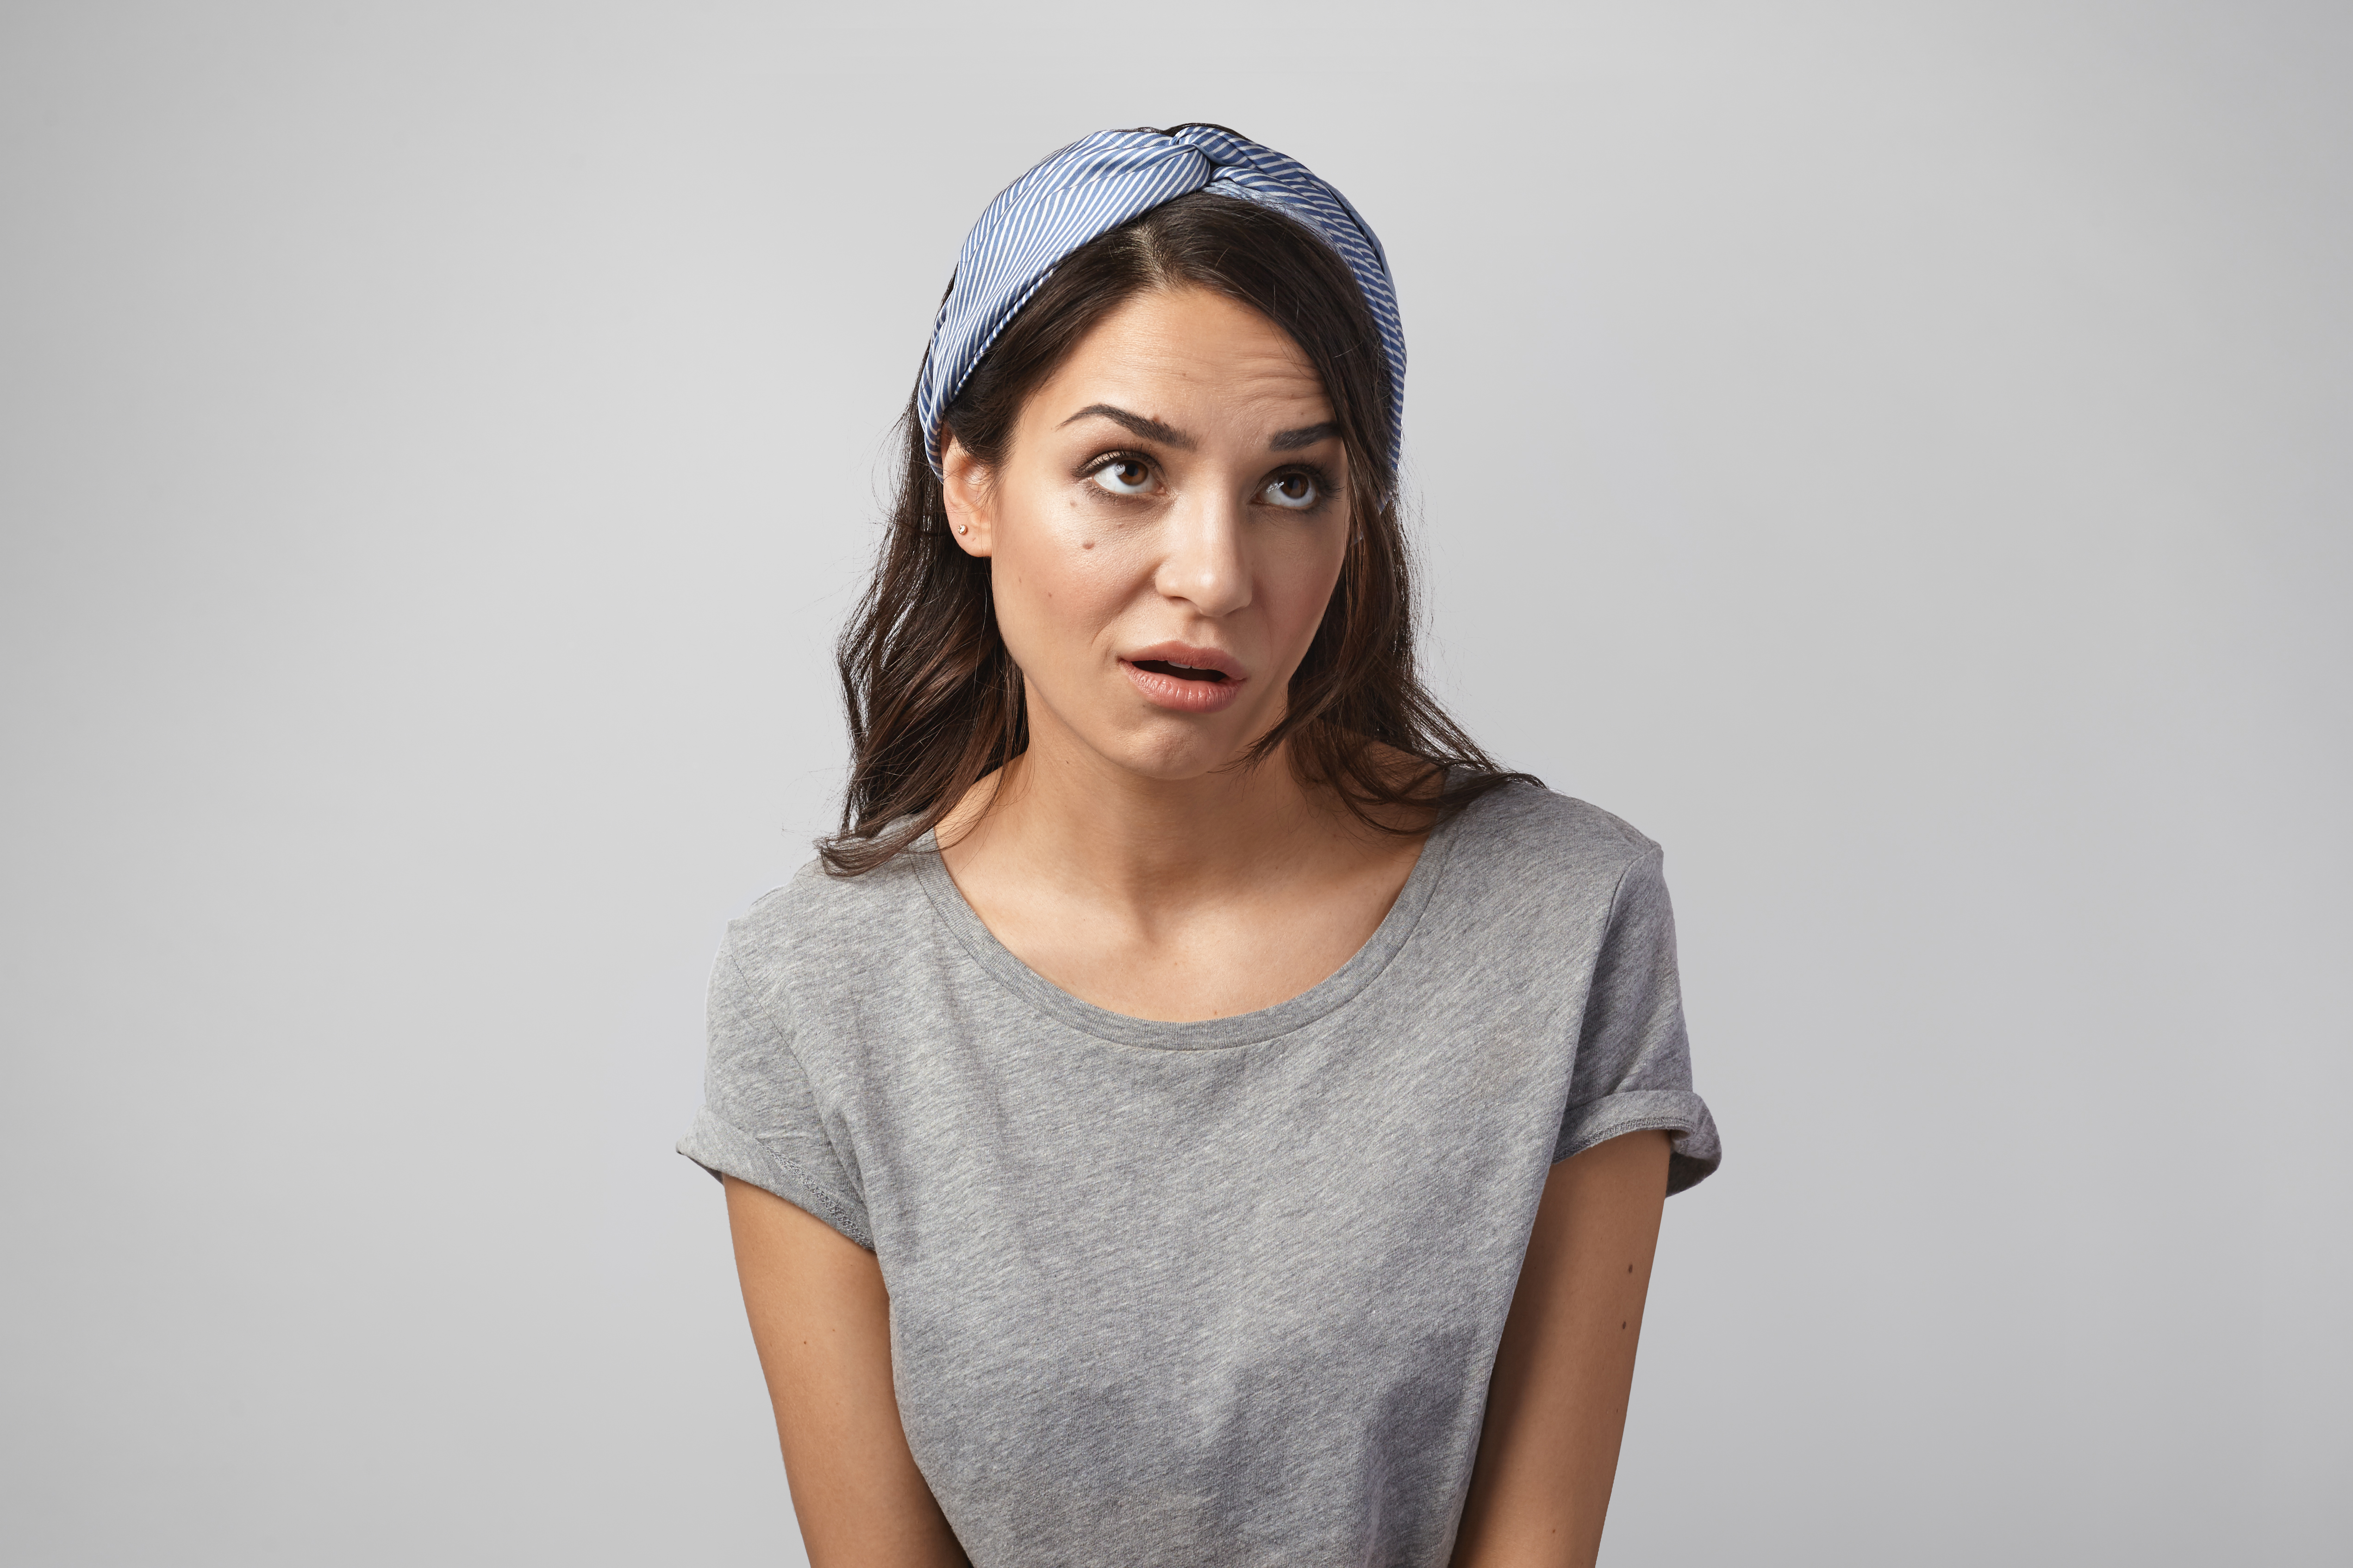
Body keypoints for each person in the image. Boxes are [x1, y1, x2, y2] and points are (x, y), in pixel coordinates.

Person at [679, 124, 1720, 1568]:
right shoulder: (817, 985)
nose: (1215, 574)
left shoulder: (1564, 918)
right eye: (1124, 470)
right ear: (968, 484)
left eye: (1293, 484)